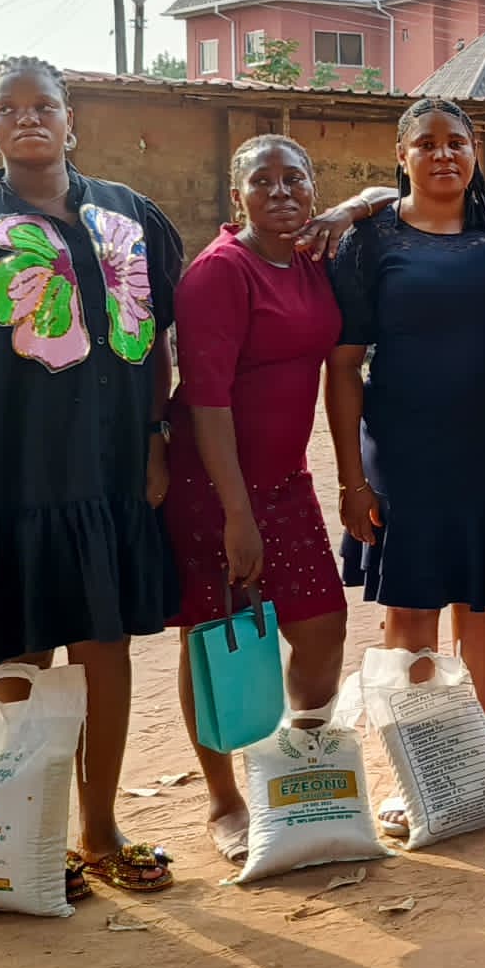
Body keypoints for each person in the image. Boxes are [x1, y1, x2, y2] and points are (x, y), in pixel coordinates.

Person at [0, 56, 185, 899]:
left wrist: (158, 439)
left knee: (105, 647)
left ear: (71, 121)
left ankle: (100, 830)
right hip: (8, 480)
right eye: (9, 108)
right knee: (23, 653)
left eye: (45, 105)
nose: (29, 119)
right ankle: (29, 838)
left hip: (110, 475)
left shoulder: (131, 218)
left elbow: (161, 344)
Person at [163, 135, 351, 864]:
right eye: (263, 181)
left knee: (322, 627)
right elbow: (207, 402)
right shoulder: (220, 273)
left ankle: (292, 772)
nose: (281, 192)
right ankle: (224, 798)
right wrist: (237, 515)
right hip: (213, 485)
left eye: (295, 179)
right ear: (236, 196)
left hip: (286, 479)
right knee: (216, 642)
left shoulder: (307, 260)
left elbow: (385, 202)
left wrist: (360, 203)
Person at [328, 95, 485, 737]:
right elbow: (341, 367)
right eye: (426, 143)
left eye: (456, 143)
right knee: (410, 608)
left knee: (480, 601)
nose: (442, 153)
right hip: (402, 451)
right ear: (401, 156)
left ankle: (478, 753)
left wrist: (362, 197)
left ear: (476, 153)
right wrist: (351, 482)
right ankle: (421, 768)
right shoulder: (367, 240)